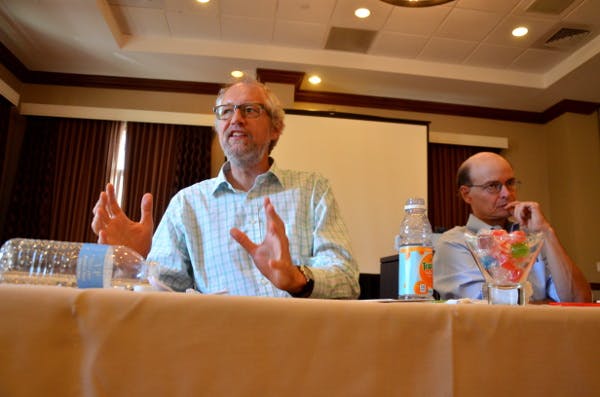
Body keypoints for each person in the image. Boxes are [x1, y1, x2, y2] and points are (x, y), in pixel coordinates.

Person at [92, 77, 360, 298]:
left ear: (275, 129)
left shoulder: (313, 190)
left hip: (304, 348)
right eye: (226, 111)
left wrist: (297, 278)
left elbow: (347, 282)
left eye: (250, 110)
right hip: (218, 350)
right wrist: (133, 261)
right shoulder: (187, 203)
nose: (236, 119)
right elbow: (161, 297)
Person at [433, 152, 591, 303]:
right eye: (493, 186)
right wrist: (548, 304)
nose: (506, 193)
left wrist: (546, 232)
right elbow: (488, 308)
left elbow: (579, 300)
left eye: (510, 183)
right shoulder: (454, 242)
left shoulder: (532, 237)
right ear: (467, 194)